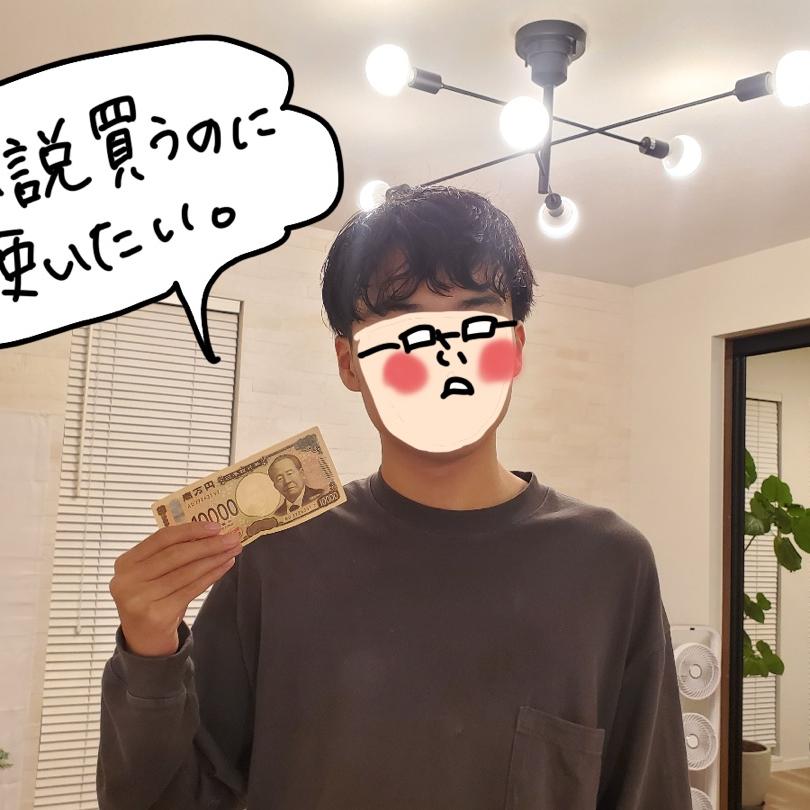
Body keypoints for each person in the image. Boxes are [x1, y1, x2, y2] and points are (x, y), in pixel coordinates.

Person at [98, 184, 692, 809]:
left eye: (473, 321)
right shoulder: (277, 559)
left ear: (514, 349)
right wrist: (149, 648)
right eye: (403, 325)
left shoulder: (609, 564)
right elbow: (172, 798)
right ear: (350, 362)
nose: (442, 356)